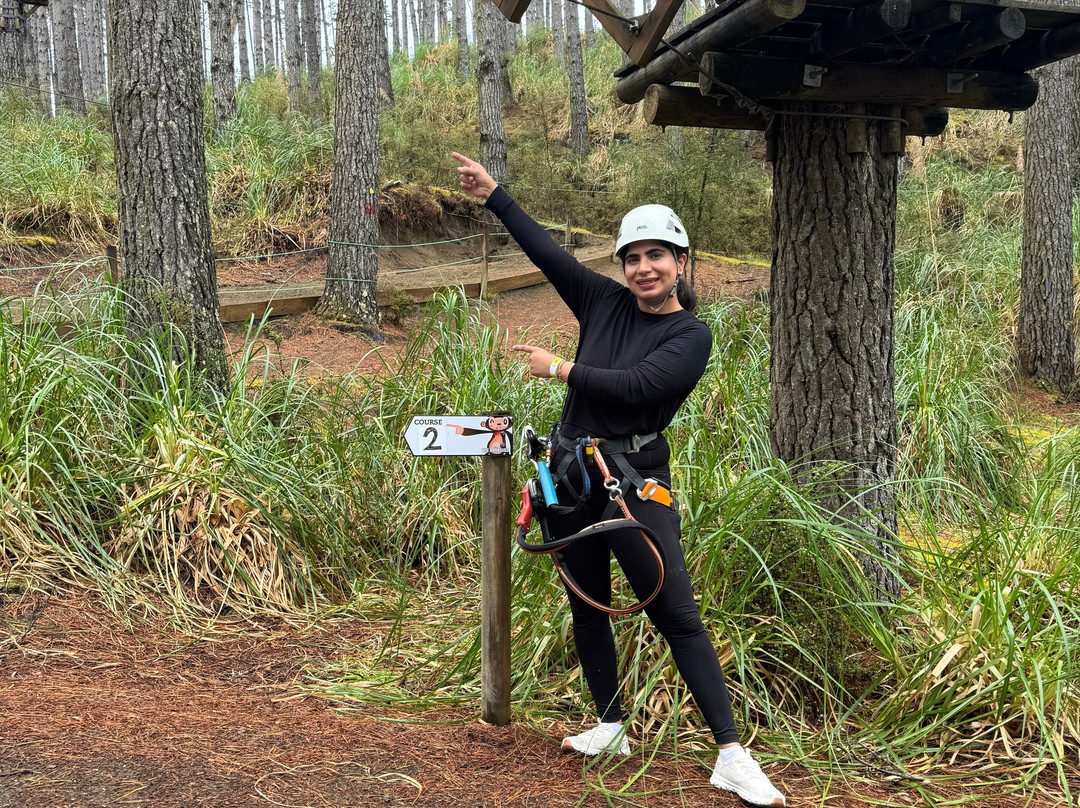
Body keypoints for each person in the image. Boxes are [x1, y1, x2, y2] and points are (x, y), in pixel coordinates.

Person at [452, 152, 786, 807]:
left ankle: (731, 754)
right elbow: (549, 255)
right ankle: (611, 726)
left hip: (633, 484)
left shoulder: (692, 335)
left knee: (678, 616)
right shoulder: (602, 300)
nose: (643, 268)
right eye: (632, 257)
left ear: (680, 262)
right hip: (571, 478)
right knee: (587, 603)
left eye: (657, 255)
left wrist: (558, 370)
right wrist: (496, 196)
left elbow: (639, 389)